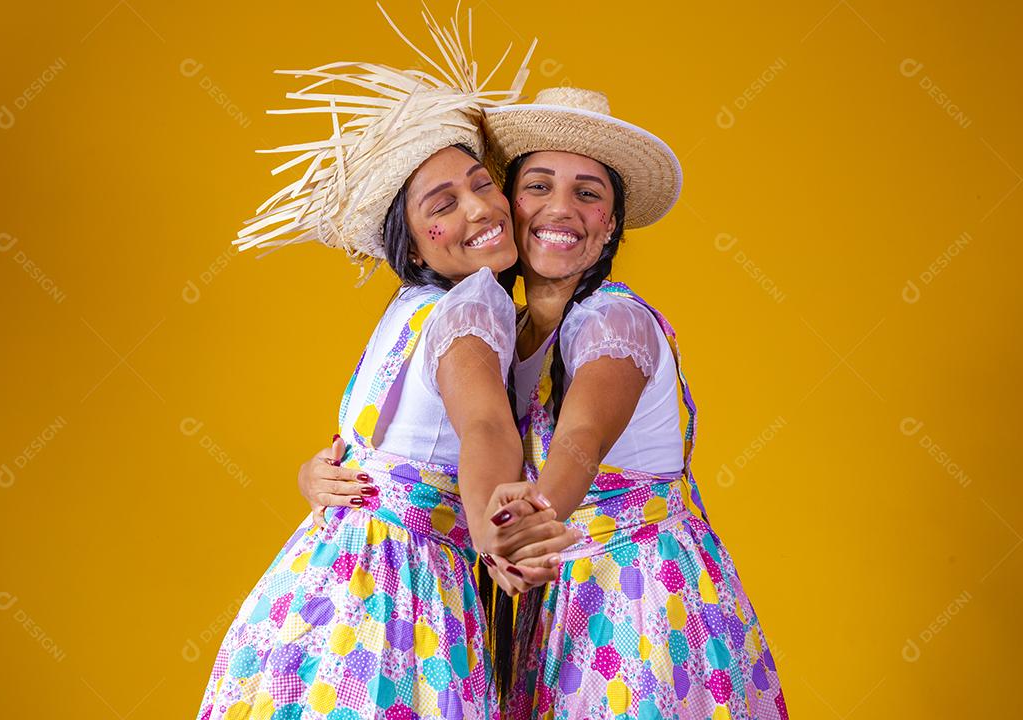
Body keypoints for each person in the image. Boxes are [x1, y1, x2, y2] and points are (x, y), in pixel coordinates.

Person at [194, 11, 574, 720]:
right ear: (414, 244)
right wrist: (496, 529)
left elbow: (428, 430)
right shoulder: (473, 307)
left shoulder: (416, 308)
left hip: (322, 591)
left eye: (480, 182)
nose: (480, 207)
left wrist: (320, 477)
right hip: (394, 593)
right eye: (444, 203)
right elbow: (484, 423)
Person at [483, 87, 790, 720]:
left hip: (639, 603)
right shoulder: (503, 334)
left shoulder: (614, 323)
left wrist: (532, 524)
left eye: (588, 193)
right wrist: (328, 477)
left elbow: (580, 440)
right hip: (561, 600)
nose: (560, 208)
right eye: (537, 186)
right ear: (508, 204)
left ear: (613, 221)